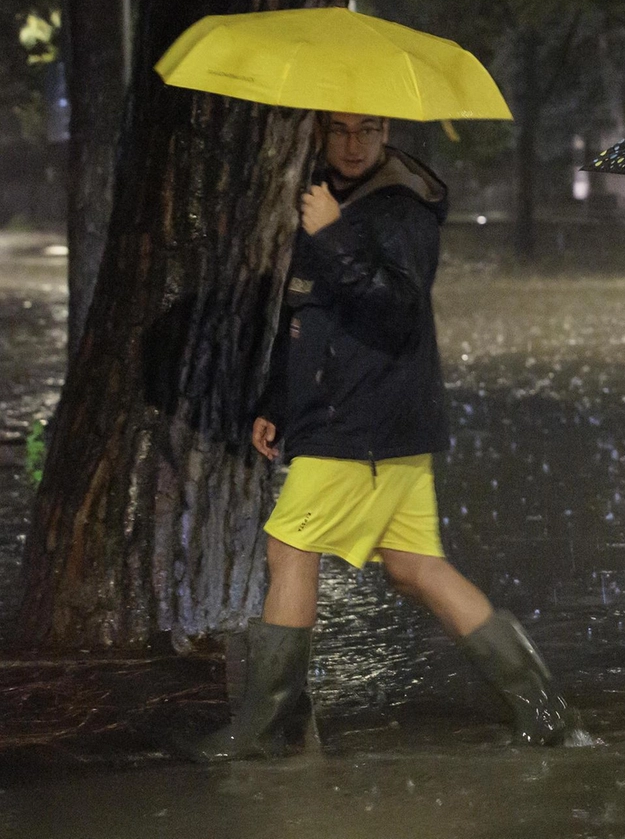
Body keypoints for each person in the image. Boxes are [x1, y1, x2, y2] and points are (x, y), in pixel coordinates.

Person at [183, 113, 570, 762]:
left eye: (367, 129)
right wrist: (278, 399)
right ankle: (542, 705)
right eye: (338, 130)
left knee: (289, 544)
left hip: (361, 420)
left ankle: (269, 726)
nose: (354, 143)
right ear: (320, 135)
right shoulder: (325, 196)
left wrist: (333, 236)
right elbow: (308, 313)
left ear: (386, 129)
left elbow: (397, 306)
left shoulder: (403, 210)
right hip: (375, 419)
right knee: (416, 566)